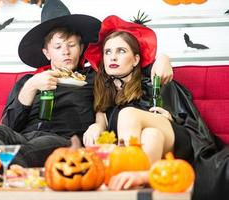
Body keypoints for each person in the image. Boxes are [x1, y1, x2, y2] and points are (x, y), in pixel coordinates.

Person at [0, 0, 173, 186]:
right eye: (58, 46)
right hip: (21, 133)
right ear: (46, 52)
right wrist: (32, 87)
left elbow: (133, 70)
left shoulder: (95, 77)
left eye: (71, 45)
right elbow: (10, 123)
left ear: (81, 47)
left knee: (40, 145)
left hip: (62, 139)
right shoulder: (28, 81)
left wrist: (163, 57)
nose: (65, 52)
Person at [82, 15, 191, 189]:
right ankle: (140, 180)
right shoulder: (102, 86)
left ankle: (125, 170)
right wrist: (96, 126)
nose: (113, 57)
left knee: (128, 113)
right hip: (153, 141)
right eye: (108, 52)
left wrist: (164, 58)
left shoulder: (151, 81)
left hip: (175, 136)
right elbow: (101, 118)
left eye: (121, 51)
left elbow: (183, 117)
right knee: (151, 135)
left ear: (136, 59)